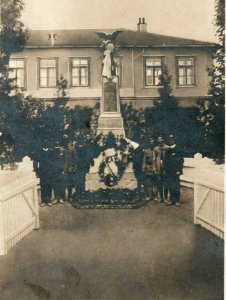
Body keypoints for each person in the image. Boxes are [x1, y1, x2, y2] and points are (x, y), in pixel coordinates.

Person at [165, 135, 184, 207]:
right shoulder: (167, 150)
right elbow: (165, 161)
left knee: (176, 185)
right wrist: (165, 169)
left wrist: (179, 170)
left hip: (176, 171)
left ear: (174, 140)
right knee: (170, 185)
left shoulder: (178, 149)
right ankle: (171, 200)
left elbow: (181, 161)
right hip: (169, 170)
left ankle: (177, 200)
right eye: (170, 140)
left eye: (172, 139)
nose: (171, 141)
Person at [154, 135, 170, 203]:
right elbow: (154, 159)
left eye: (161, 139)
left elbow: (170, 158)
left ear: (163, 140)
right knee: (159, 183)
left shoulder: (167, 147)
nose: (160, 140)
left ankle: (165, 197)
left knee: (166, 183)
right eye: (158, 139)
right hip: (158, 168)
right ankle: (161, 197)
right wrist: (154, 169)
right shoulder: (156, 149)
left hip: (166, 168)